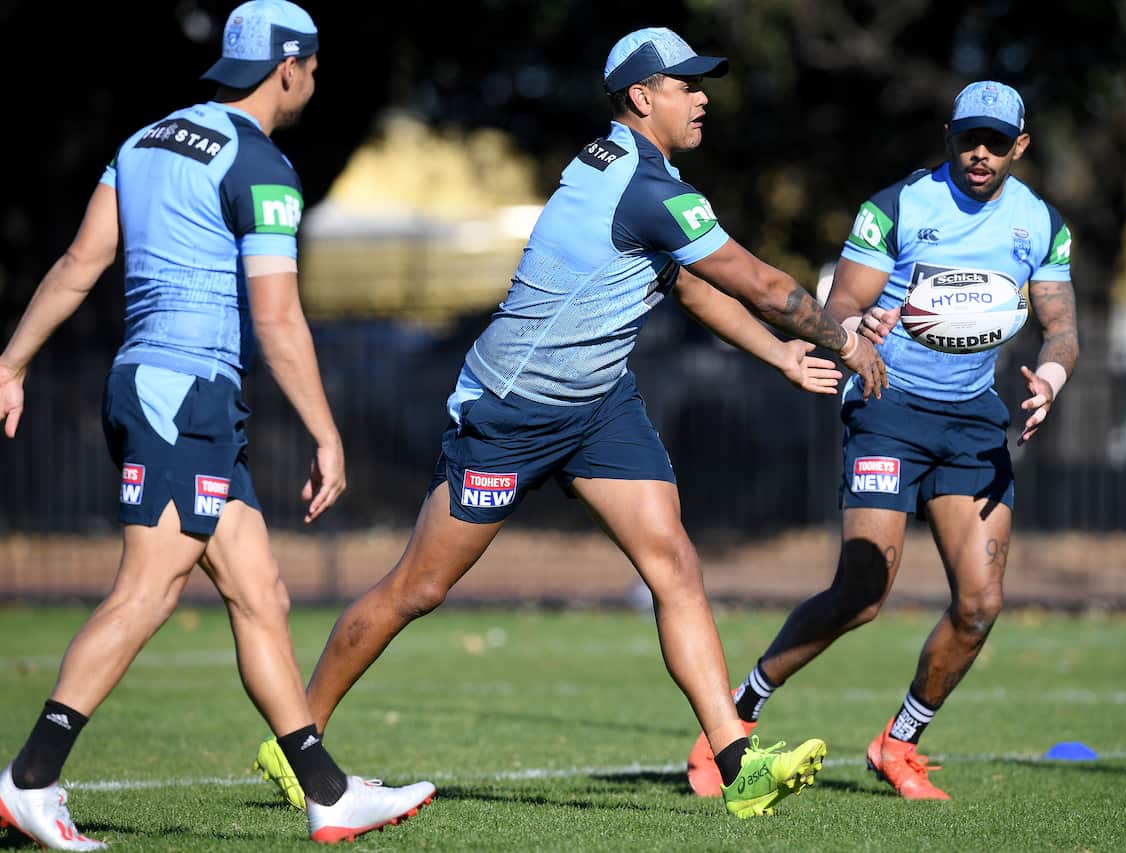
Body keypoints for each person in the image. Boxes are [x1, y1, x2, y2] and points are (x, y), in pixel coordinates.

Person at [253, 26, 892, 821]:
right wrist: (840, 339)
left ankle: (738, 763)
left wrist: (782, 359)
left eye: (702, 83)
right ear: (640, 97)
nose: (701, 97)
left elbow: (690, 288)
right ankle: (295, 739)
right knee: (417, 586)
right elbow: (762, 283)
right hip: (511, 412)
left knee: (674, 564)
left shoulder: (642, 173)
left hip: (597, 406)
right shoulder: (645, 187)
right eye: (685, 84)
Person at [0, 2, 435, 847]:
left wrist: (12, 361)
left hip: (146, 387)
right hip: (187, 399)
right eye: (312, 66)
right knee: (149, 588)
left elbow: (78, 262)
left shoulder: (145, 141)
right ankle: (30, 777)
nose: (314, 80)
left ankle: (328, 792)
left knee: (259, 592)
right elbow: (276, 320)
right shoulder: (262, 164)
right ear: (288, 69)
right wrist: (326, 432)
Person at [685, 80, 1080, 800]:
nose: (981, 153)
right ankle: (736, 718)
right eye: (969, 138)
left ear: (1021, 146)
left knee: (980, 603)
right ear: (949, 137)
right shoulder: (897, 207)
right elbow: (841, 300)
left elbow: (1061, 325)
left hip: (970, 422)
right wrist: (853, 333)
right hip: (886, 406)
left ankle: (898, 742)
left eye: (997, 141)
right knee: (864, 589)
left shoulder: (1041, 224)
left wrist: (1050, 377)